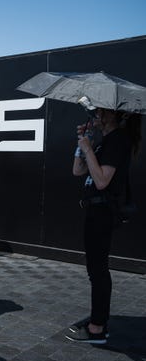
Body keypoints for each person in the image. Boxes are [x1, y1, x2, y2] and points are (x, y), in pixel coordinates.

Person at [66, 107, 141, 344]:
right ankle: (98, 321)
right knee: (94, 269)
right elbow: (77, 170)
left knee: (98, 270)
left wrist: (88, 148)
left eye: (101, 111)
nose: (96, 114)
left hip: (103, 212)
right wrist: (83, 144)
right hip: (94, 211)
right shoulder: (103, 141)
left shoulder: (118, 141)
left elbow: (101, 181)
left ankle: (98, 327)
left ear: (115, 115)